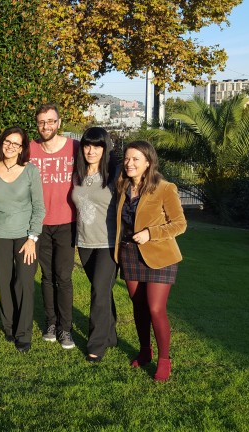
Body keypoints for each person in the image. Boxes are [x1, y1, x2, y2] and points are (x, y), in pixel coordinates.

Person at [115, 140, 186, 381]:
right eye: (127, 158)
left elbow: (180, 224)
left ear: (148, 162)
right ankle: (145, 350)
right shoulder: (123, 187)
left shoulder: (165, 188)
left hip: (160, 255)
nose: (129, 163)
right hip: (129, 254)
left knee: (155, 308)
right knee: (139, 306)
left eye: (136, 159)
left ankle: (164, 359)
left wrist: (150, 233)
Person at [0, 126, 45, 353]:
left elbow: (39, 207)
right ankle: (9, 326)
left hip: (25, 236)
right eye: (7, 141)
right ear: (1, 143)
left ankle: (23, 333)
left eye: (16, 143)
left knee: (24, 283)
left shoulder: (31, 171)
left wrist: (32, 238)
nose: (11, 146)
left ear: (22, 148)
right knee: (4, 282)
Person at [29, 103, 80, 349]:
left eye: (50, 121)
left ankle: (65, 329)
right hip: (39, 224)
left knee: (64, 277)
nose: (46, 126)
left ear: (59, 122)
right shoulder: (29, 149)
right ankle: (51, 323)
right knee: (47, 276)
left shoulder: (75, 148)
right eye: (41, 122)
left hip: (67, 222)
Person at [71, 127, 119, 362]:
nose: (91, 151)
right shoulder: (77, 174)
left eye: (97, 146)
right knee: (103, 290)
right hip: (84, 242)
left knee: (99, 291)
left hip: (108, 243)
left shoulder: (113, 175)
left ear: (105, 148)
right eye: (87, 146)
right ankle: (110, 334)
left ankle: (96, 345)